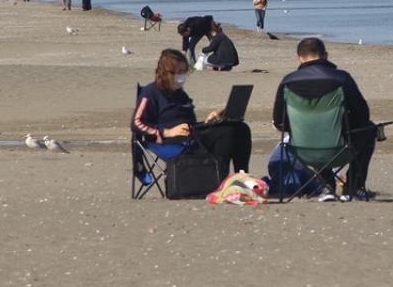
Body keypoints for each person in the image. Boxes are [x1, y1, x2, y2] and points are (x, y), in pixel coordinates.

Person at [273, 37, 375, 200]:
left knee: (315, 131)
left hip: (303, 148)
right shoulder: (341, 78)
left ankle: (327, 186)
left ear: (299, 57)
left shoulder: (288, 82)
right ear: (325, 56)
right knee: (370, 128)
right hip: (340, 148)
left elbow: (279, 121)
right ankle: (354, 186)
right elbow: (362, 115)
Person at [131, 49, 252, 175]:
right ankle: (220, 178)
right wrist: (166, 132)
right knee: (226, 132)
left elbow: (189, 124)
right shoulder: (150, 93)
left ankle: (242, 176)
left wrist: (207, 122)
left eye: (185, 72)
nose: (183, 76)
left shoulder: (180, 94)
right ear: (168, 73)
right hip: (170, 140)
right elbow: (136, 123)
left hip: (191, 135)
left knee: (241, 128)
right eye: (180, 72)